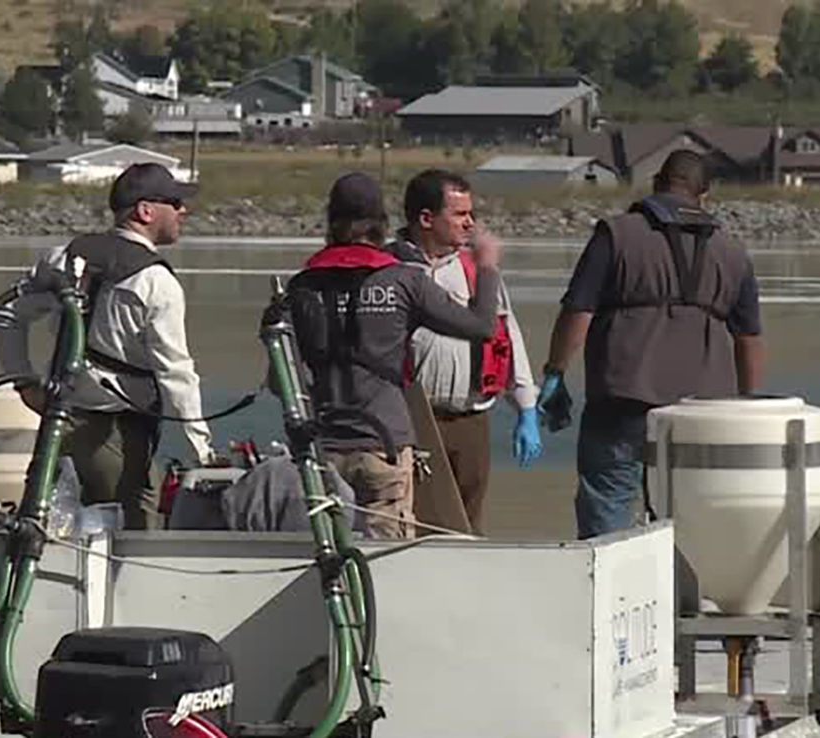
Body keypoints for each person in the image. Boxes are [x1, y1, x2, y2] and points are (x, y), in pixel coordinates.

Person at [538, 150, 765, 540]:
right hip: (704, 411)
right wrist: (746, 403)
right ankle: (683, 595)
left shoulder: (616, 234)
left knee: (608, 502)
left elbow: (579, 311)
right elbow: (749, 339)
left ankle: (608, 594)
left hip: (623, 398)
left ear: (657, 183)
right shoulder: (734, 254)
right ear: (704, 194)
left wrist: (555, 374)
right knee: (690, 514)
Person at [0, 163, 217, 530]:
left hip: (57, 424)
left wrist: (25, 383)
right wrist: (203, 453)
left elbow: (5, 317)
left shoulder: (63, 256)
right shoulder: (157, 282)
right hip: (116, 435)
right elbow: (176, 374)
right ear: (145, 211)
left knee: (46, 531)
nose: (183, 211)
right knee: (129, 546)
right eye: (175, 202)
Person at [286, 172, 501, 539]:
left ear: (331, 221)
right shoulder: (403, 281)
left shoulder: (302, 286)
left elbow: (282, 380)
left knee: (329, 549)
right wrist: (487, 267)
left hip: (323, 446)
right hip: (384, 443)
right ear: (382, 221)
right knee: (387, 558)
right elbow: (481, 326)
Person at [386, 169, 542, 534]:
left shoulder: (476, 270)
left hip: (471, 420)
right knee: (412, 523)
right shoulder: (389, 267)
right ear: (426, 218)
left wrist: (526, 408)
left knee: (469, 526)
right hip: (412, 422)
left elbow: (507, 336)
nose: (470, 223)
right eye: (459, 214)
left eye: (472, 214)